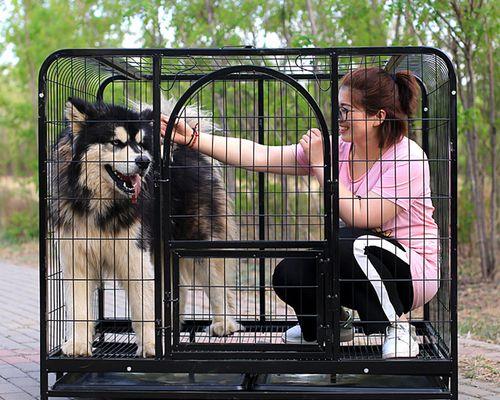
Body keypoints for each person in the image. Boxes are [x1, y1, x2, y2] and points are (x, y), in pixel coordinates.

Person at [161, 67, 439, 359]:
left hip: (409, 273)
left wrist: (320, 165)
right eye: (338, 109)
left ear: (377, 117)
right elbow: (261, 156)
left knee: (347, 242)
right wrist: (193, 139)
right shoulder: (342, 149)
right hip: (356, 260)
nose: (338, 119)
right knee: (289, 272)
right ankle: (330, 324)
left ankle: (397, 326)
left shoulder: (406, 157)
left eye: (346, 111)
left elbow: (361, 217)